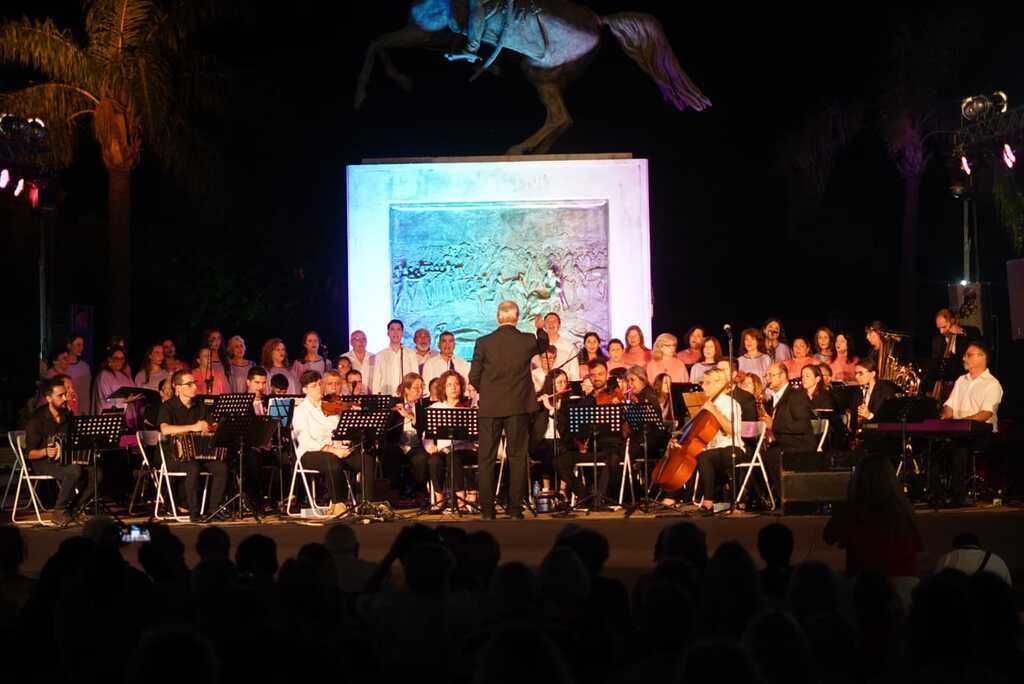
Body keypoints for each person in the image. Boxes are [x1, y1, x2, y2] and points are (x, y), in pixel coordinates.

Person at [469, 300, 549, 519]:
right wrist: (540, 328)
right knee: (516, 456)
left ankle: (487, 510)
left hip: (489, 408)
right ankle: (515, 509)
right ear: (517, 318)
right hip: (518, 406)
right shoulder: (527, 340)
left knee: (486, 458)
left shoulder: (483, 342)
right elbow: (544, 346)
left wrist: (485, 389)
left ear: (498, 317)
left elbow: (473, 376)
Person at [824, 454, 923, 585]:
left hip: (867, 586)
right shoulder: (904, 509)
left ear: (858, 479)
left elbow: (828, 536)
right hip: (904, 584)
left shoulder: (853, 509)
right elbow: (918, 545)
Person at [291, 370, 371, 516]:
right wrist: (332, 450)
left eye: (320, 384)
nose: (319, 388)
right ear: (305, 390)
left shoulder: (330, 406)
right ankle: (338, 503)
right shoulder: (300, 411)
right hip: (310, 453)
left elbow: (338, 432)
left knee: (366, 459)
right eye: (314, 386)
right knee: (332, 460)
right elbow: (306, 441)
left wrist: (344, 445)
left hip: (335, 450)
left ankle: (367, 503)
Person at [661, 368, 741, 513]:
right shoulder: (705, 403)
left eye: (707, 383)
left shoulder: (730, 403)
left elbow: (732, 430)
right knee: (681, 451)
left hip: (731, 448)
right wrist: (681, 437)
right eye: (703, 383)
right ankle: (671, 496)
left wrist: (713, 410)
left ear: (719, 383)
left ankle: (708, 502)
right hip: (710, 448)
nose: (703, 386)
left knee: (705, 456)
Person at [24, 377, 101, 524]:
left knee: (96, 473)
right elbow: (29, 453)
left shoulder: (67, 415)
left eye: (65, 394)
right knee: (74, 470)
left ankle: (74, 509)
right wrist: (46, 451)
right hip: (43, 462)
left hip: (65, 459)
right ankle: (59, 510)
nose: (65, 398)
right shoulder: (37, 420)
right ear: (48, 398)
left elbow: (74, 440)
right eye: (60, 395)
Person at [157, 370, 230, 522]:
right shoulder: (168, 406)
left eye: (194, 383)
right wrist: (193, 427)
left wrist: (213, 427)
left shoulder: (200, 405)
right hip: (175, 456)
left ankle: (213, 509)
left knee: (221, 467)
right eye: (189, 384)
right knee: (193, 467)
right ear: (177, 388)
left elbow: (209, 425)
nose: (194, 387)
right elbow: (165, 429)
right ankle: (194, 512)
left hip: (199, 453)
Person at [939, 341, 1002, 506]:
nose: (963, 358)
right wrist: (945, 416)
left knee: (959, 445)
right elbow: (949, 405)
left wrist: (961, 423)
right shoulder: (961, 380)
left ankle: (958, 496)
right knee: (934, 441)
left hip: (983, 432)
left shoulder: (992, 384)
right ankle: (936, 492)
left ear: (982, 357)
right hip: (958, 429)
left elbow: (986, 413)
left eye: (968, 355)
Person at [553, 359, 623, 507]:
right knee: (559, 461)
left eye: (601, 374)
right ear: (589, 377)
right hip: (592, 448)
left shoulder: (617, 395)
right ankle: (584, 494)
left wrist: (621, 408)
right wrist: (579, 442)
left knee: (612, 458)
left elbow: (626, 426)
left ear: (607, 374)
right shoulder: (585, 401)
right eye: (593, 375)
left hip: (611, 447)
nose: (597, 377)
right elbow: (574, 430)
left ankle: (599, 500)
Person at [423, 370, 479, 509]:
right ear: (443, 388)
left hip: (465, 450)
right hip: (444, 450)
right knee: (434, 460)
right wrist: (430, 446)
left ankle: (461, 500)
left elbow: (477, 432)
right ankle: (439, 499)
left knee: (453, 457)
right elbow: (426, 433)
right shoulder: (436, 408)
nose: (453, 387)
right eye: (449, 385)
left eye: (456, 384)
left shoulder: (469, 406)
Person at [761, 362, 816, 496]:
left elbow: (802, 425)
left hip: (799, 443)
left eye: (771, 375)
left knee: (771, 455)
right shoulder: (771, 399)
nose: (768, 379)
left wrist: (774, 425)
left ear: (783, 375)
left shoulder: (796, 395)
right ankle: (764, 497)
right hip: (782, 442)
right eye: (766, 375)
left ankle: (786, 497)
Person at [383, 373, 430, 505]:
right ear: (406, 389)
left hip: (415, 445)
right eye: (416, 388)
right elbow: (387, 429)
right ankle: (394, 492)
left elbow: (424, 428)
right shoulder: (394, 403)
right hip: (397, 444)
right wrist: (393, 413)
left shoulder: (423, 406)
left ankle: (420, 492)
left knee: (421, 458)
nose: (420, 391)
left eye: (421, 387)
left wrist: (411, 416)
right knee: (390, 452)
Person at [531, 368, 573, 496]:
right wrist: (541, 406)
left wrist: (552, 409)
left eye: (565, 382)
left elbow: (565, 427)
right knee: (550, 449)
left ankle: (562, 490)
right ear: (551, 384)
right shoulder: (539, 401)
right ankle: (546, 489)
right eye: (559, 382)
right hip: (540, 442)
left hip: (561, 442)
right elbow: (534, 428)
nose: (563, 385)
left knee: (562, 451)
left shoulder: (567, 403)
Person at [929, 308, 981, 397]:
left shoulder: (966, 334)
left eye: (944, 327)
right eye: (939, 328)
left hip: (967, 384)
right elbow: (935, 365)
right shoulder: (937, 341)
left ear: (952, 321)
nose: (941, 331)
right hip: (945, 386)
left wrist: (961, 331)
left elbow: (977, 336)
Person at [934, 532, 1012, 585]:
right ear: (978, 545)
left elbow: (936, 586)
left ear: (955, 546)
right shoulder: (996, 560)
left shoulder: (946, 559)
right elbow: (1008, 586)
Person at [94, 345, 143, 429]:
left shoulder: (126, 374)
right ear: (109, 359)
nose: (119, 361)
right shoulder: (104, 375)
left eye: (122, 358)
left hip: (128, 416)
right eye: (116, 358)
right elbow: (104, 400)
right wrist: (124, 401)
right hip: (112, 419)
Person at [372, 319, 419, 396]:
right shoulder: (380, 355)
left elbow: (415, 377)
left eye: (398, 329)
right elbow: (376, 380)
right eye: (392, 329)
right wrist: (376, 398)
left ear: (402, 333)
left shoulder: (411, 354)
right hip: (387, 397)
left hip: (407, 397)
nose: (395, 332)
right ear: (388, 333)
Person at [537, 312, 579, 380]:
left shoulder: (569, 347)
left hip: (563, 386)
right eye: (548, 321)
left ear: (559, 325)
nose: (551, 324)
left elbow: (575, 374)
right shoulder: (537, 346)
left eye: (554, 321)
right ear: (544, 326)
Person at [64, 334, 93, 414]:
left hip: (85, 409)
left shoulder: (85, 366)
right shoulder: (64, 367)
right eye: (78, 345)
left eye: (82, 345)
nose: (81, 348)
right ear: (69, 346)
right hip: (70, 410)